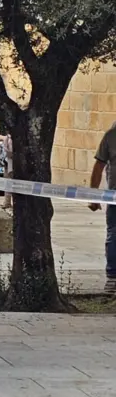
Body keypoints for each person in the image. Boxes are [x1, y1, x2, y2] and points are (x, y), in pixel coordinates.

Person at [89, 125, 116, 293]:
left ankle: (112, 279)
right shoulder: (111, 135)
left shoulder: (111, 134)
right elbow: (99, 166)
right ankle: (113, 277)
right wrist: (93, 195)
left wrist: (93, 196)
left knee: (114, 233)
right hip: (114, 197)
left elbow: (98, 166)